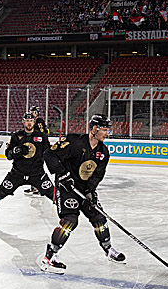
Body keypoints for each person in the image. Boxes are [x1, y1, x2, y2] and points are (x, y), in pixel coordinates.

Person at [40, 114, 125, 274]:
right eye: (105, 130)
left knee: (99, 218)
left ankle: (108, 249)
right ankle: (50, 256)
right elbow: (49, 154)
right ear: (94, 129)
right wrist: (63, 175)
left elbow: (98, 174)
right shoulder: (74, 142)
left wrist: (90, 192)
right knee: (70, 220)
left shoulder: (103, 152)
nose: (107, 134)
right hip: (66, 189)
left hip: (84, 190)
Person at [0, 112, 54, 220]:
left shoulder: (41, 137)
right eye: (27, 121)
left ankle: (67, 213)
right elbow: (8, 155)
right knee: (1, 192)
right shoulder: (16, 136)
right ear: (23, 122)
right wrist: (15, 151)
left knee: (53, 193)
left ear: (34, 122)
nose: (29, 123)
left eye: (31, 121)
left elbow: (49, 153)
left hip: (37, 174)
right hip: (17, 173)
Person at [25, 105, 50, 194]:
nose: (31, 114)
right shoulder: (38, 121)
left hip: (39, 147)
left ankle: (40, 187)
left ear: (36, 113)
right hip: (36, 147)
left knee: (37, 167)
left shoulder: (39, 121)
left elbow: (43, 133)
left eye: (32, 112)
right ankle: (34, 186)